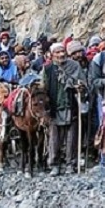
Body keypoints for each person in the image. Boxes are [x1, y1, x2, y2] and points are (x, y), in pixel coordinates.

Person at [42, 43, 87, 176]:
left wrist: (81, 88)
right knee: (54, 138)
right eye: (57, 52)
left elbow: (83, 83)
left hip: (71, 105)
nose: (61, 54)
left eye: (62, 51)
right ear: (52, 55)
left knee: (71, 138)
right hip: (55, 107)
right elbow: (43, 88)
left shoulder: (74, 66)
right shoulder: (48, 69)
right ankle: (54, 164)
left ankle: (70, 164)